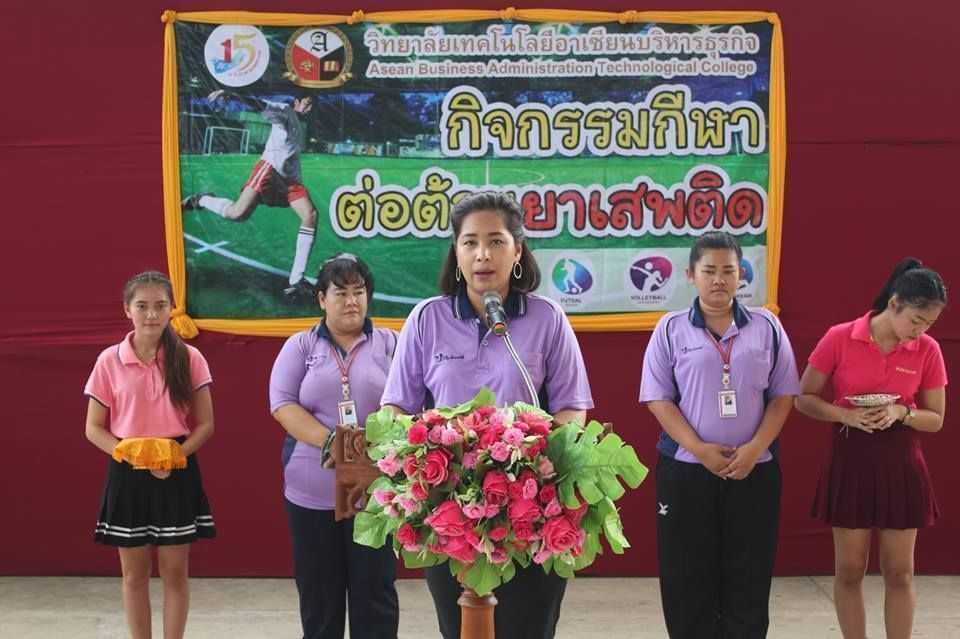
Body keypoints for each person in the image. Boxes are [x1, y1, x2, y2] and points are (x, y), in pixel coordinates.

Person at [380, 191, 594, 639]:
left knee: (529, 628)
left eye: (496, 241)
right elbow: (395, 409)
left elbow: (572, 408)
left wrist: (543, 460)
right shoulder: (426, 319)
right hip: (449, 508)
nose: (482, 254)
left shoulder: (547, 318)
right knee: (460, 627)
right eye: (470, 242)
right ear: (456, 253)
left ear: (517, 251)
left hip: (530, 508)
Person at [638, 231, 800, 639]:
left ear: (741, 274)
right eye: (709, 270)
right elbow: (658, 399)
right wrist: (700, 450)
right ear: (690, 274)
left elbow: (783, 396)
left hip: (755, 469)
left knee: (749, 572)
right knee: (686, 575)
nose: (719, 280)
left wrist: (755, 448)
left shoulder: (767, 326)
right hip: (686, 471)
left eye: (729, 270)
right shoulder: (670, 329)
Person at [795, 258, 948, 639]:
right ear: (894, 303)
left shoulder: (927, 350)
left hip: (901, 462)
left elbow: (936, 418)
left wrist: (902, 412)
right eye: (916, 320)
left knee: (900, 572)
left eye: (929, 324)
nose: (920, 331)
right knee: (850, 570)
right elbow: (804, 398)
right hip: (851, 459)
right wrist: (844, 415)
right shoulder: (840, 337)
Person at [269, 253, 400, 639]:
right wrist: (334, 443)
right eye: (340, 293)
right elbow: (282, 404)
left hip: (375, 492)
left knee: (375, 595)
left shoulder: (391, 343)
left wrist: (375, 444)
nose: (351, 301)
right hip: (311, 491)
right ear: (321, 299)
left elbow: (410, 400)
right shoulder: (300, 346)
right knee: (319, 597)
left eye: (359, 291)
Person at [83, 271, 216, 639]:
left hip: (176, 469)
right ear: (127, 310)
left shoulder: (189, 357)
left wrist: (174, 456)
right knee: (134, 575)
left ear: (172, 308)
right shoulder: (109, 360)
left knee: (175, 573)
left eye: (160, 305)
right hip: (128, 472)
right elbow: (93, 427)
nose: (152, 314)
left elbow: (206, 424)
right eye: (142, 306)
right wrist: (130, 454)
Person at [182, 89, 318, 299]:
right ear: (297, 102)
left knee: (310, 215)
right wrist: (231, 95)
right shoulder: (284, 111)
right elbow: (258, 103)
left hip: (290, 181)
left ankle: (296, 280)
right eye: (306, 104)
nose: (309, 109)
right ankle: (201, 199)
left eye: (312, 106)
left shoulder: (301, 125)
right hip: (269, 172)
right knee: (237, 214)